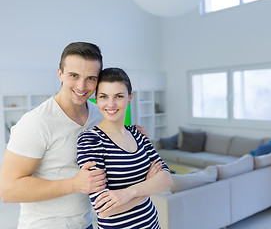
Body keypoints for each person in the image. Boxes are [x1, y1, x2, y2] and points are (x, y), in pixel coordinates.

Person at [0, 42, 149, 229]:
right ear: (60, 73)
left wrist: (131, 133)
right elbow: (8, 190)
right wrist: (74, 184)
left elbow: (114, 140)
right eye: (74, 75)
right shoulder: (36, 122)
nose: (82, 86)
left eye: (91, 78)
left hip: (85, 223)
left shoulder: (98, 114)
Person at [77, 68, 172, 229]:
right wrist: (148, 186)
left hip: (152, 224)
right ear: (96, 99)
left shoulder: (137, 133)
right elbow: (103, 210)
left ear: (130, 97)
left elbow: (167, 178)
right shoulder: (90, 140)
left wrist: (128, 193)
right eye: (104, 97)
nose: (111, 104)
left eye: (119, 96)